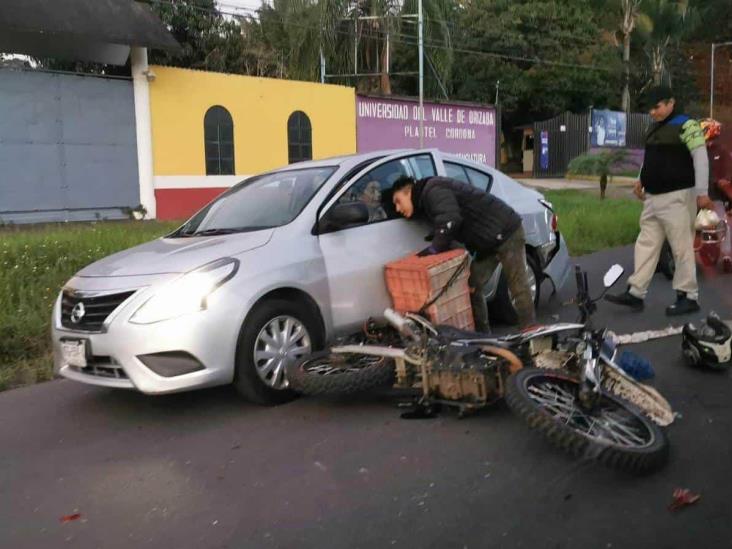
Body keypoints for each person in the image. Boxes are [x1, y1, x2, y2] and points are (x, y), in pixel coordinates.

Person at [606, 86, 713, 316]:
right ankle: (636, 292)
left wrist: (703, 193)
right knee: (645, 244)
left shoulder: (687, 125)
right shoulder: (654, 128)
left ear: (671, 103)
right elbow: (650, 159)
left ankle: (688, 296)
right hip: (653, 197)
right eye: (650, 109)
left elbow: (701, 158)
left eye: (657, 107)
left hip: (678, 196)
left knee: (681, 247)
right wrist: (640, 179)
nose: (653, 112)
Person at [391, 175, 535, 332]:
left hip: (507, 231)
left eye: (398, 201)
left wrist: (434, 248)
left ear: (408, 191)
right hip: (488, 242)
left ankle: (531, 331)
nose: (398, 209)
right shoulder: (426, 199)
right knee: (472, 285)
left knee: (517, 283)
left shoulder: (432, 191)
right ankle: (483, 338)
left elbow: (450, 220)